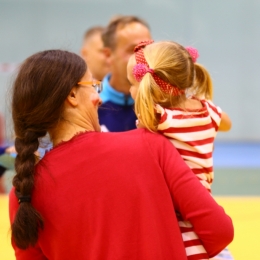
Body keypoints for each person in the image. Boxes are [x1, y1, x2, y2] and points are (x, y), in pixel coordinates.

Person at [9, 49, 233, 260]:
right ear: (72, 95)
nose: (99, 98)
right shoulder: (150, 146)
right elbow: (220, 230)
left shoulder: (24, 191)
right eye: (94, 87)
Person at [127, 40, 232, 260]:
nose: (130, 90)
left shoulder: (159, 120)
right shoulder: (209, 111)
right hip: (206, 216)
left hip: (179, 228)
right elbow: (227, 123)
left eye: (132, 84)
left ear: (148, 85)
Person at [99, 15, 152, 132]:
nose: (143, 57)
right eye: (134, 50)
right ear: (108, 55)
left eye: (147, 48)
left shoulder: (163, 104)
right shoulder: (91, 105)